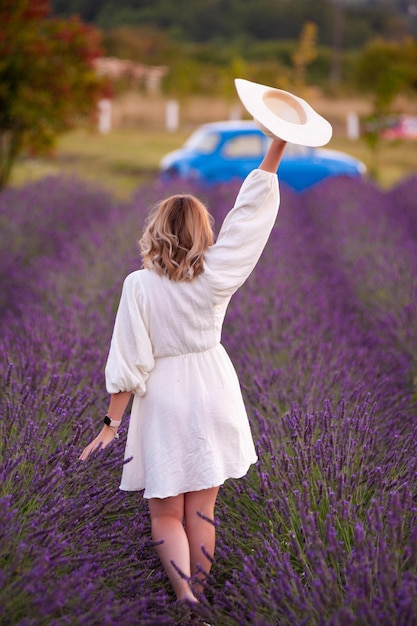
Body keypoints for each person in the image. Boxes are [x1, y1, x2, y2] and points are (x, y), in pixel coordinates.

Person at [79, 137, 287, 607]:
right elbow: (248, 220)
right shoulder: (215, 273)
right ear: (201, 232)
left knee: (166, 512)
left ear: (156, 230)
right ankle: (200, 594)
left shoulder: (139, 285)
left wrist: (110, 426)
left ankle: (184, 598)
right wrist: (275, 145)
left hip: (164, 397)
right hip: (214, 388)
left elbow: (128, 360)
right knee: (203, 510)